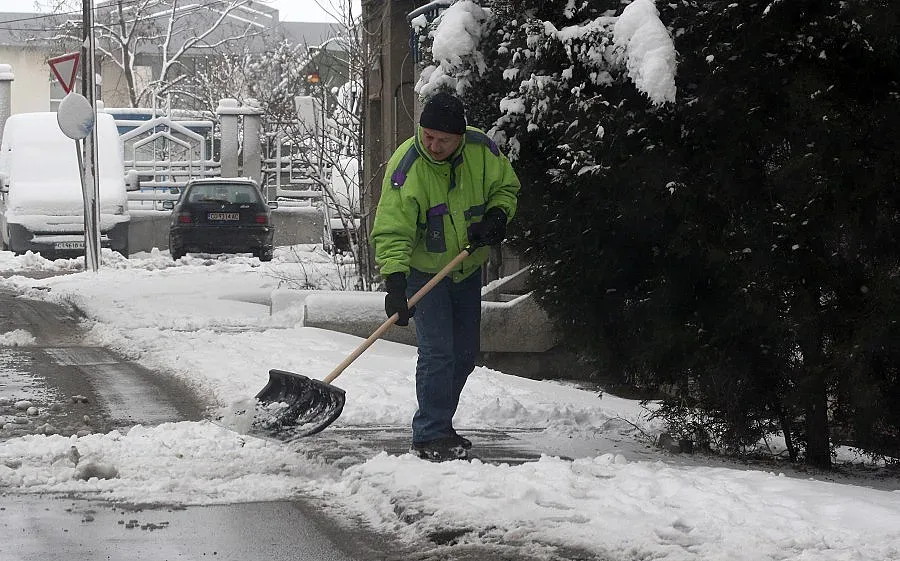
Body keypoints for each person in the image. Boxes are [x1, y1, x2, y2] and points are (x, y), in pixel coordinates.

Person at [371, 91, 521, 461]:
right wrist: (395, 282)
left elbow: (507, 189)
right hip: (424, 273)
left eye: (443, 139)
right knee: (438, 352)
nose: (433, 145)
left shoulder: (483, 151)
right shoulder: (407, 168)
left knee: (465, 354)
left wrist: (497, 218)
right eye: (427, 136)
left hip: (465, 268)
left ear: (460, 136)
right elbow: (392, 230)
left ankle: (441, 424)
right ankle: (429, 433)